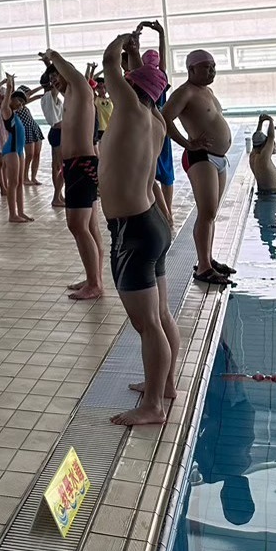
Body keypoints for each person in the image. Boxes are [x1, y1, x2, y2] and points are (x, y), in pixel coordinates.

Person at [99, 34, 180, 427]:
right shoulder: (156, 120)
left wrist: (123, 41)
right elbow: (132, 74)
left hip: (132, 231)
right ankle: (163, 385)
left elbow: (108, 63)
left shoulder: (129, 110)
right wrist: (137, 57)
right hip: (151, 222)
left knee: (147, 324)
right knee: (160, 316)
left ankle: (153, 405)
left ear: (133, 89)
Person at [163, 50, 235, 285]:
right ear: (191, 69)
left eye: (213, 66)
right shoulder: (185, 92)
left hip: (217, 157)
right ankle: (203, 268)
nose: (212, 70)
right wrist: (187, 143)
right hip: (200, 157)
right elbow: (164, 119)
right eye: (206, 67)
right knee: (206, 213)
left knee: (211, 213)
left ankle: (208, 258)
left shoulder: (208, 91)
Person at [46, 50, 104, 301]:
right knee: (89, 225)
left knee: (77, 225)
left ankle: (94, 283)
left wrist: (52, 56)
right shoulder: (71, 94)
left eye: (57, 75)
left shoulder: (81, 89)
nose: (54, 80)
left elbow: (68, 69)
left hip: (82, 165)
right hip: (75, 165)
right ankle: (94, 278)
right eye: (52, 78)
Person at [135, 22, 175, 227]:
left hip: (145, 128)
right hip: (162, 127)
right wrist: (161, 33)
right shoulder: (161, 76)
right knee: (166, 174)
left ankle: (161, 212)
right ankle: (168, 212)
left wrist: (137, 35)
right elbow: (163, 55)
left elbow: (134, 60)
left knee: (149, 172)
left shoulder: (141, 77)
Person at [0, 77, 32, 223]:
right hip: (11, 150)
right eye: (18, 101)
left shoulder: (17, 115)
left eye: (22, 102)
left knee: (19, 182)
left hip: (19, 151)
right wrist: (9, 87)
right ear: (12, 100)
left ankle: (21, 212)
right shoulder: (7, 112)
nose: (20, 104)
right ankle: (12, 214)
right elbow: (6, 103)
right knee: (12, 183)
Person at [39, 56, 66, 208]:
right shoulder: (49, 96)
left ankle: (58, 195)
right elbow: (55, 122)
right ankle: (56, 196)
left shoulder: (51, 97)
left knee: (59, 166)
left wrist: (48, 64)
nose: (57, 81)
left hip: (60, 132)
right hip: (57, 132)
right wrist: (49, 64)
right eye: (53, 79)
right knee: (58, 166)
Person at [14, 88, 45, 186]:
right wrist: (42, 88)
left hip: (34, 127)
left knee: (37, 154)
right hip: (26, 129)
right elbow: (32, 95)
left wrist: (43, 88)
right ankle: (25, 177)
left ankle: (33, 177)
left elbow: (33, 95)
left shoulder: (23, 104)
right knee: (29, 155)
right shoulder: (15, 106)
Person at [249, 114, 276, 194]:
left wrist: (260, 122)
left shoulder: (253, 156)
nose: (275, 147)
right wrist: (270, 120)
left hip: (263, 193)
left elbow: (256, 139)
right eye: (273, 145)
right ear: (265, 145)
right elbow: (271, 137)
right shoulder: (263, 158)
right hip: (271, 196)